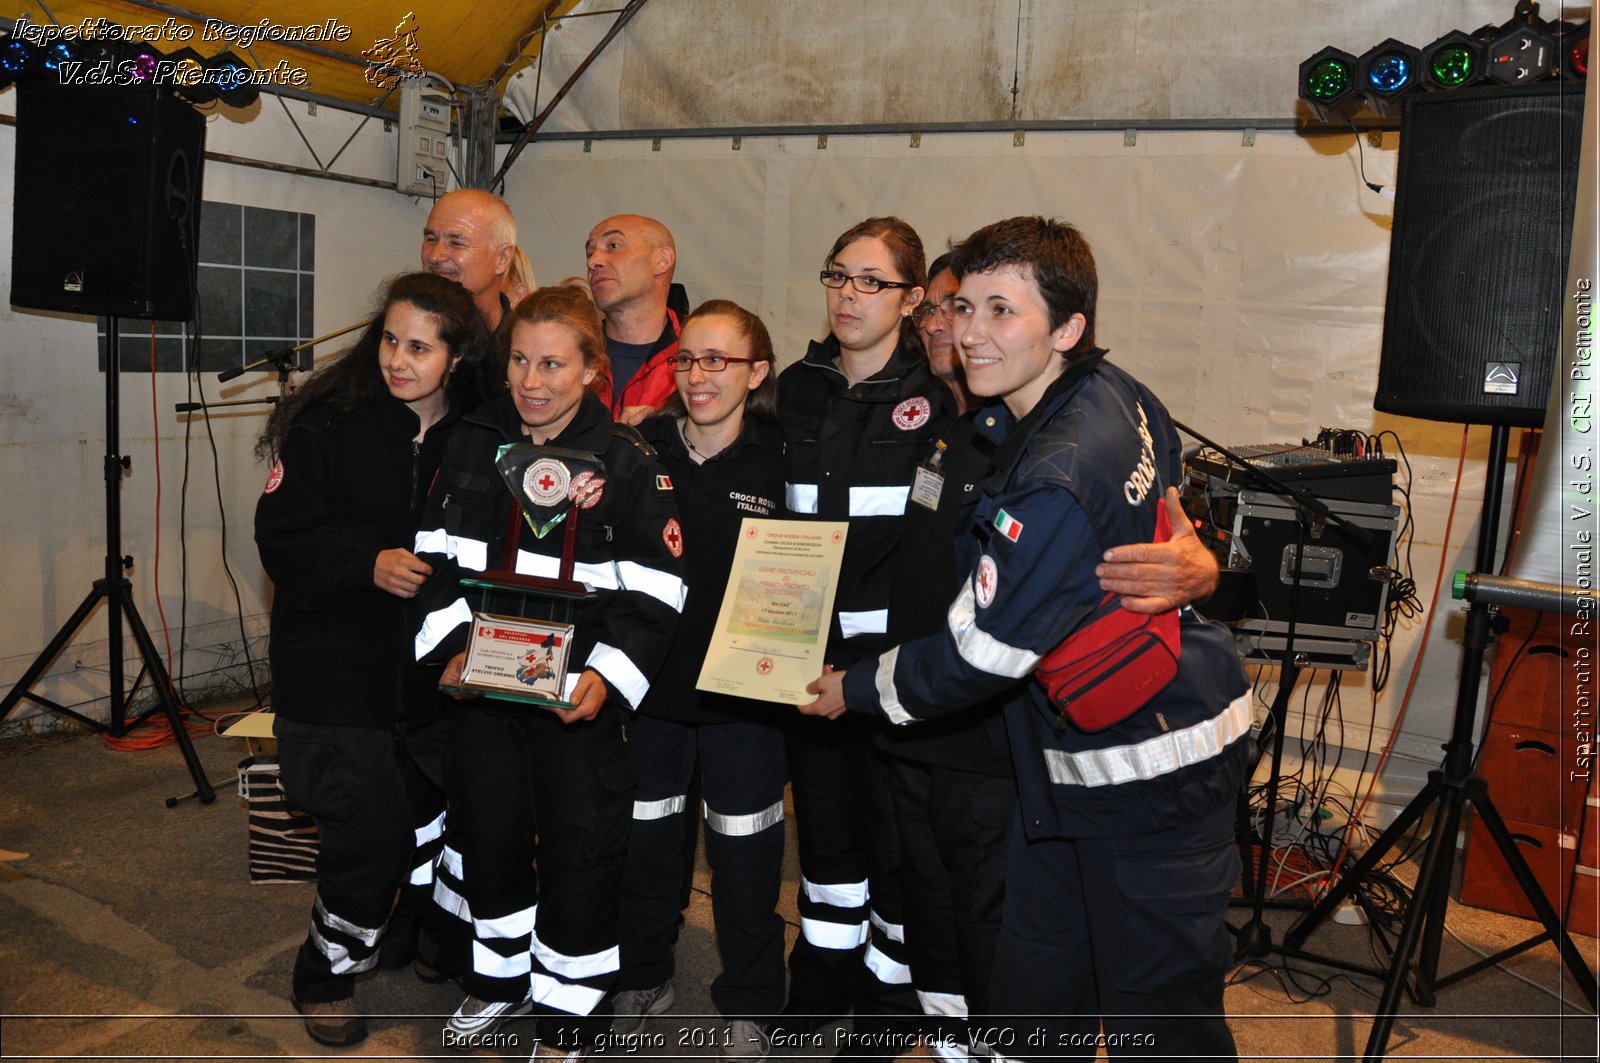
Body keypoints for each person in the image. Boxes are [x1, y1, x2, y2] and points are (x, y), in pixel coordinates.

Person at [803, 217, 1250, 1061]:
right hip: (1068, 770)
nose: (971, 331)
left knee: (1161, 1017)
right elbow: (1172, 497)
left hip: (1150, 774)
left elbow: (981, 654)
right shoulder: (1111, 389)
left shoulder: (1055, 473)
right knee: (1039, 998)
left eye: (1003, 311)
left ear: (1067, 327)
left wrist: (854, 688)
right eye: (964, 305)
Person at [411, 282, 686, 1061]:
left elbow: (660, 592)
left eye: (554, 364)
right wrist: (451, 644)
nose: (533, 381)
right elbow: (433, 556)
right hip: (482, 687)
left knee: (579, 846)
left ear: (593, 370)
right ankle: (497, 980)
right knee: (488, 832)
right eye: (522, 361)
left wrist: (607, 676)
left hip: (577, 700)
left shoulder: (631, 465)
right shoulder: (470, 444)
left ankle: (569, 1018)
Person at [253, 272, 498, 1048]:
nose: (398, 358)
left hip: (434, 681)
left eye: (420, 346)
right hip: (333, 678)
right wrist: (367, 563)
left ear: (456, 358)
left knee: (431, 830)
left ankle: (404, 935)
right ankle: (322, 975)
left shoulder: (479, 436)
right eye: (390, 339)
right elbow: (281, 538)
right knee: (368, 839)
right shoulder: (329, 423)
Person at [775, 216, 949, 1044]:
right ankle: (818, 985)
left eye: (872, 281)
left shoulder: (942, 403)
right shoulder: (794, 387)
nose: (850, 295)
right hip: (805, 662)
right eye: (839, 275)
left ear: (912, 298)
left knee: (897, 850)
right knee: (826, 844)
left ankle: (887, 1011)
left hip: (890, 675)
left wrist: (890, 674)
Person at [611, 300, 787, 1060]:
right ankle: (643, 972)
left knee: (746, 856)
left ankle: (751, 999)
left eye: (720, 360)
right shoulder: (638, 448)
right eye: (689, 358)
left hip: (748, 701)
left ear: (758, 373)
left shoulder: (785, 460)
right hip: (651, 693)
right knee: (647, 842)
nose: (699, 375)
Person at [585, 213, 682, 424]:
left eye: (614, 246)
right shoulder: (571, 353)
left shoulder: (698, 364)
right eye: (590, 252)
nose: (593, 261)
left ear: (662, 261)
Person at [422, 189, 517, 333]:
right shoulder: (393, 337)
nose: (434, 256)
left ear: (502, 258)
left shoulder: (523, 348)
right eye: (431, 239)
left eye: (456, 243)